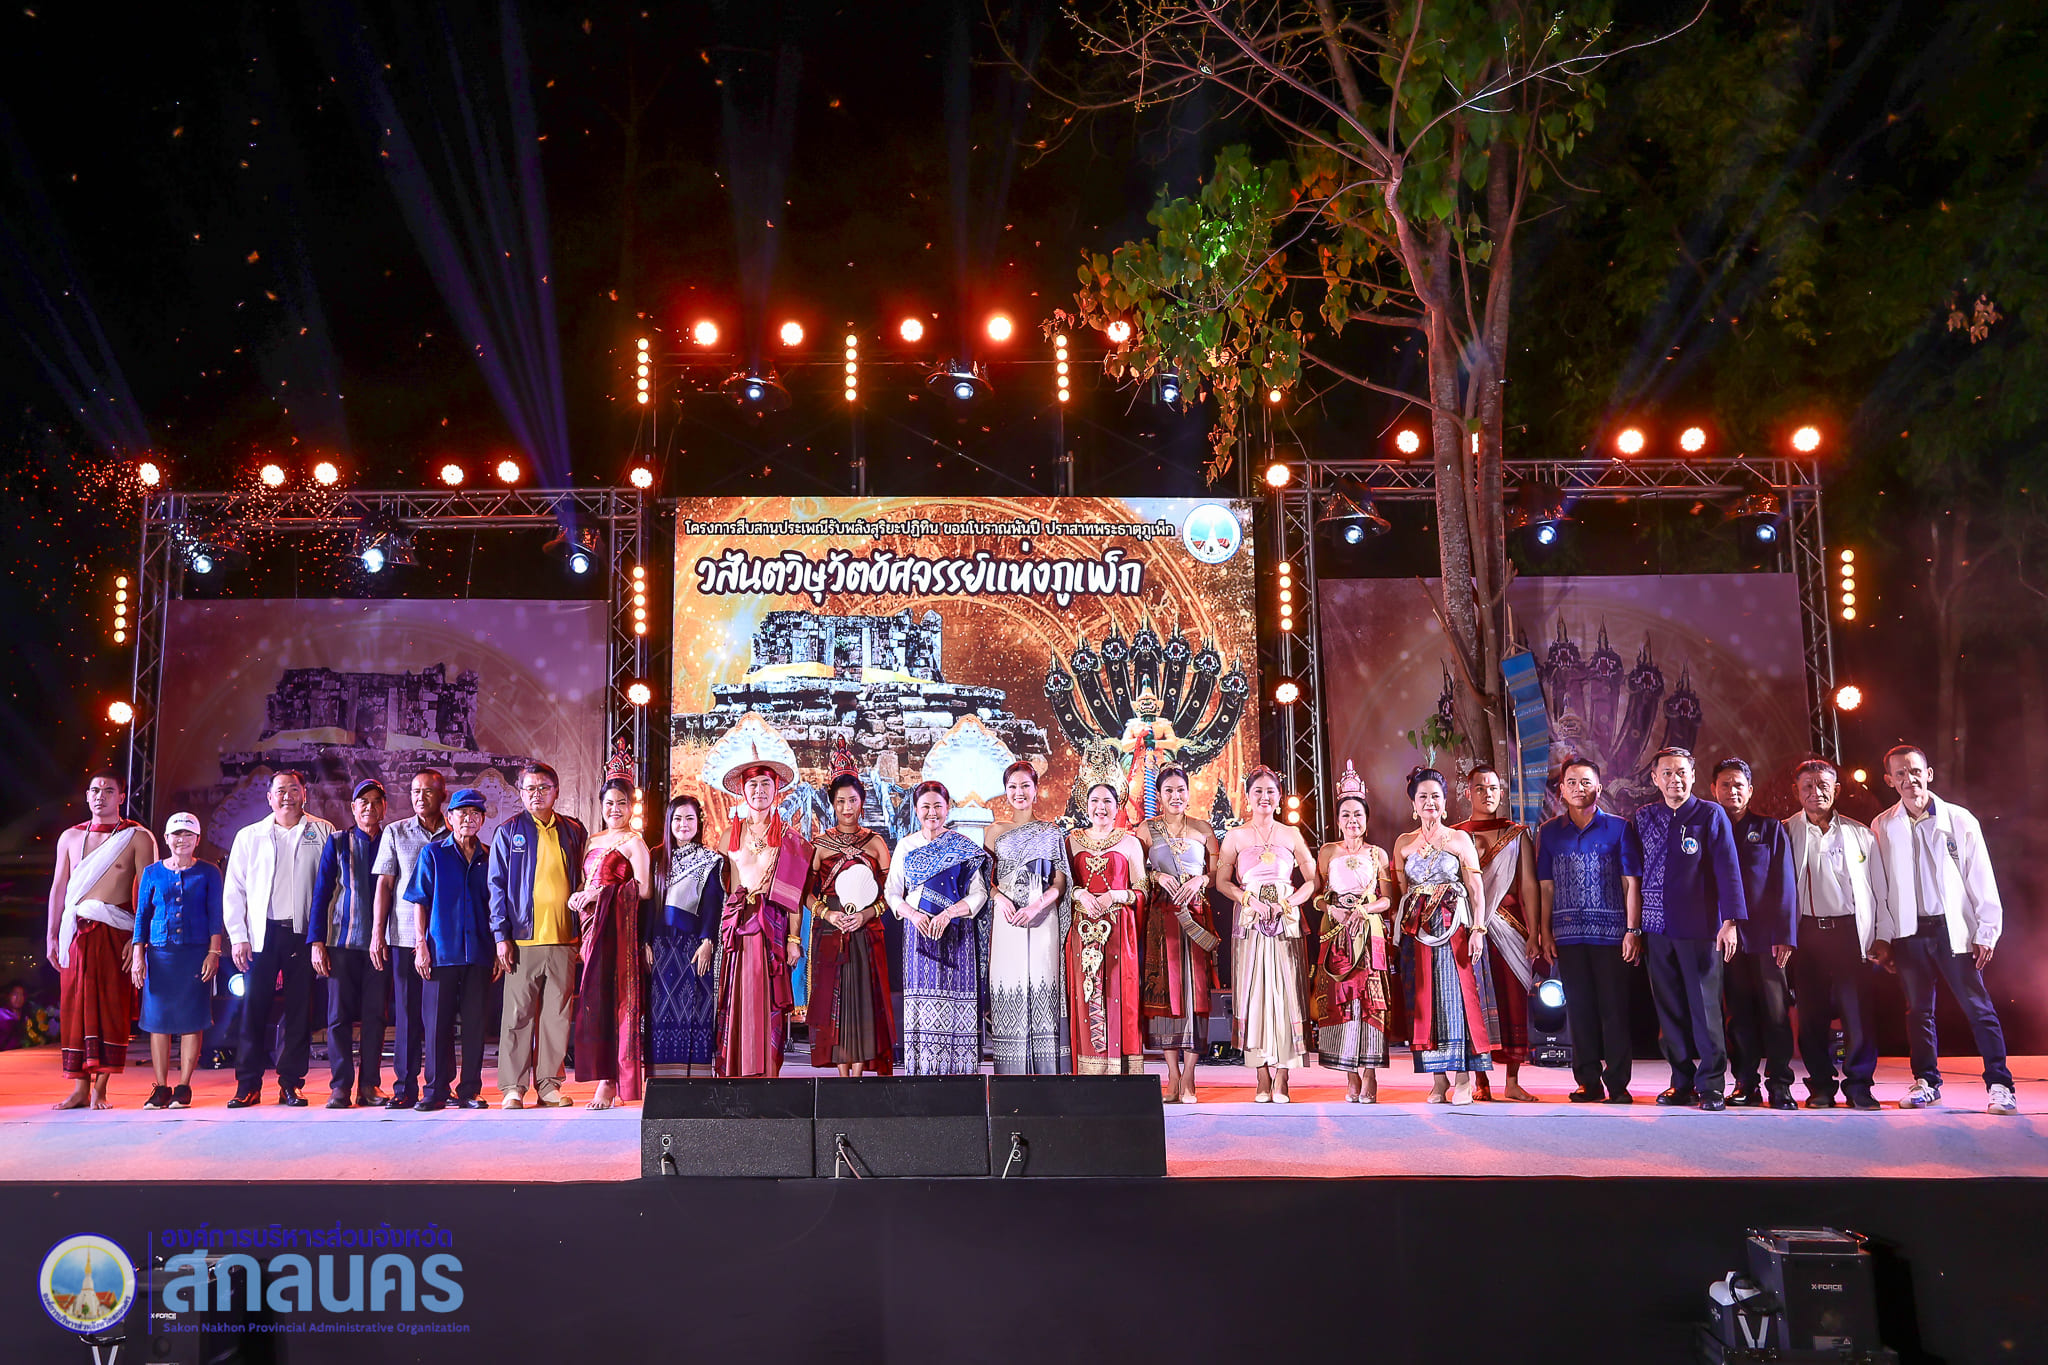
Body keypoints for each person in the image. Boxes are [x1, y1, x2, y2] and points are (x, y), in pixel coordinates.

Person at [1871, 744, 2017, 1116]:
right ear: (1889, 780)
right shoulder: (1883, 825)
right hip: (1909, 934)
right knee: (1918, 1012)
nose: (1909, 779)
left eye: (1915, 771)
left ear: (1929, 774)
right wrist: (1884, 938)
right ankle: (1926, 1082)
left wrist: (1987, 930)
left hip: (1953, 930)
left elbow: (1980, 875)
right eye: (1900, 774)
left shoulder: (1959, 819)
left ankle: (2000, 1085)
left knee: (1978, 1008)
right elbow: (1881, 888)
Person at [1632, 748, 1746, 1110]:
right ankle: (1680, 1082)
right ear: (1654, 778)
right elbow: (1633, 875)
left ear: (1693, 776)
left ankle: (1711, 1085)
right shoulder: (1644, 817)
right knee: (1669, 1011)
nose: (1674, 780)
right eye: (1666, 773)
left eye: (1681, 772)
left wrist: (1730, 921)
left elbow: (1728, 868)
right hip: (1656, 927)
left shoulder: (1710, 814)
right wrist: (1633, 928)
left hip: (1700, 927)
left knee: (1705, 1008)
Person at [223, 770, 337, 1109]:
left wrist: (321, 936)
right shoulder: (249, 836)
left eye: (293, 789)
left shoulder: (323, 831)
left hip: (303, 933)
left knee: (300, 1012)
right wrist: (238, 936)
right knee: (253, 1009)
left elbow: (332, 887)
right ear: (269, 797)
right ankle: (248, 1084)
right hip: (261, 935)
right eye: (280, 790)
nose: (287, 796)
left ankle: (291, 1083)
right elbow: (235, 889)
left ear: (305, 794)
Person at [46, 771, 156, 1110]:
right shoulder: (70, 837)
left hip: (116, 932)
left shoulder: (137, 837)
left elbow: (149, 892)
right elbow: (59, 888)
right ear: (87, 795)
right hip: (75, 934)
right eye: (95, 790)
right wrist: (51, 934)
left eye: (109, 790)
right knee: (74, 1008)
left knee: (111, 1008)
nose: (100, 796)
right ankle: (79, 1088)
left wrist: (138, 940)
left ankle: (101, 1088)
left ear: (121, 797)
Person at [1535, 758, 1643, 1104]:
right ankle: (1588, 1081)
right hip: (1567, 935)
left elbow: (1631, 883)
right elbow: (1546, 887)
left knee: (1614, 1010)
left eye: (1585, 782)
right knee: (1579, 1010)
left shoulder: (1619, 828)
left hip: (1612, 935)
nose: (1578, 788)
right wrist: (1545, 931)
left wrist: (1633, 930)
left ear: (1599, 787)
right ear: (1561, 790)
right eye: (1571, 782)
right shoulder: (1549, 832)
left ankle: (1618, 1084)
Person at [1783, 758, 1886, 1110]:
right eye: (1807, 786)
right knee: (1811, 1016)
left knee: (1857, 1013)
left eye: (1823, 785)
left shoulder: (1861, 834)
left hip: (1849, 933)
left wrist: (1881, 936)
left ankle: (1859, 1085)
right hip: (1806, 934)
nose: (1816, 792)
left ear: (1837, 790)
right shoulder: (1785, 832)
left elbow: (1880, 891)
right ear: (1796, 791)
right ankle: (1821, 1086)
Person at [1391, 767, 1496, 1106]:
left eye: (1435, 796)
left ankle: (1463, 1076)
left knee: (1455, 998)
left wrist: (1478, 929)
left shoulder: (1459, 839)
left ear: (1445, 801)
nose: (1430, 802)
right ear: (1413, 804)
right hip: (1419, 933)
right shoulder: (1404, 844)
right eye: (1423, 796)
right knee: (1426, 1002)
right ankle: (1438, 1080)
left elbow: (1476, 887)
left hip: (1454, 930)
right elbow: (1402, 892)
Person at [1216, 766, 1318, 1103]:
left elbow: (1313, 881)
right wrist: (1250, 900)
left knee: (1287, 993)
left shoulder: (1291, 834)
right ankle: (1261, 1073)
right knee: (1254, 993)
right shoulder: (1235, 836)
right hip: (1250, 921)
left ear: (1279, 796)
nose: (1264, 797)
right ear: (1247, 797)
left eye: (1270, 791)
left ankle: (1283, 1075)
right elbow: (1221, 882)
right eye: (1257, 791)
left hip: (1286, 921)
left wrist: (1288, 902)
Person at [489, 762, 587, 1108]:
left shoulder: (573, 830)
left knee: (557, 1017)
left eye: (544, 788)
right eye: (529, 788)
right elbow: (496, 887)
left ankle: (549, 1085)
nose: (537, 794)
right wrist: (501, 935)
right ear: (520, 793)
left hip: (564, 938)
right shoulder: (508, 831)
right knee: (517, 1015)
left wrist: (583, 931)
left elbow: (585, 879)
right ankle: (513, 1087)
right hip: (522, 939)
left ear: (556, 791)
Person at [1711, 758, 1799, 1110]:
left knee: (1776, 1014)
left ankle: (1781, 1084)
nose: (1731, 791)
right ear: (1713, 790)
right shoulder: (1708, 829)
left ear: (1750, 790)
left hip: (1767, 939)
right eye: (1725, 784)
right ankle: (1745, 1083)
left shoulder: (1769, 828)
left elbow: (1784, 884)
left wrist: (1785, 934)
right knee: (1738, 1015)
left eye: (1738, 785)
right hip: (1724, 939)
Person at [716, 759, 812, 1077]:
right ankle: (738, 1068)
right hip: (738, 928)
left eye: (765, 784)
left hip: (773, 928)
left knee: (769, 1000)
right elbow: (722, 888)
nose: (759, 791)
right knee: (738, 997)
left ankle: (768, 1073)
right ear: (743, 791)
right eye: (753, 785)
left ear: (776, 789)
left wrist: (794, 939)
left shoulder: (789, 837)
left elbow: (795, 895)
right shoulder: (728, 835)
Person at [886, 781, 989, 1075]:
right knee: (922, 1001)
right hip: (918, 933)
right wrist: (913, 915)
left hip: (957, 933)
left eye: (938, 806)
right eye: (925, 807)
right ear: (916, 810)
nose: (932, 813)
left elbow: (979, 893)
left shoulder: (963, 847)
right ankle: (923, 1073)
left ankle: (960, 1076)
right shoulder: (906, 846)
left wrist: (949, 913)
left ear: (948, 808)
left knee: (958, 1000)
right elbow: (892, 891)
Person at [406, 786, 498, 1110]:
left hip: (480, 952)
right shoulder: (433, 854)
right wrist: (420, 944)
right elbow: (419, 901)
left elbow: (497, 904)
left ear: (482, 819)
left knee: (475, 1024)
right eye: (462, 813)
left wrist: (498, 948)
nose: (468, 819)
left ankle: (469, 1090)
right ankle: (435, 1090)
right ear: (449, 817)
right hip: (441, 952)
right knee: (436, 1025)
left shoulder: (489, 856)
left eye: (475, 813)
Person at [1454, 763, 1541, 1102]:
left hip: (1511, 928)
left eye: (1492, 788)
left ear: (1501, 793)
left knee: (1512, 1000)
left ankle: (1513, 1081)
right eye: (1479, 788)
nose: (1486, 794)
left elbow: (1529, 886)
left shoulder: (1516, 834)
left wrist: (1534, 932)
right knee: (1476, 1003)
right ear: (1468, 793)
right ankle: (1480, 1081)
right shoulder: (1456, 835)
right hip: (1470, 929)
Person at [1310, 763, 1394, 1103]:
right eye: (1346, 815)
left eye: (1358, 814)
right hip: (1336, 933)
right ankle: (1350, 1074)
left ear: (1367, 818)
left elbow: (1387, 899)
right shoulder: (1327, 852)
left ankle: (1370, 1072)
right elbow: (1316, 896)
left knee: (1371, 1000)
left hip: (1368, 931)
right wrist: (1331, 909)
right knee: (1342, 1001)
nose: (1352, 820)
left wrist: (1364, 910)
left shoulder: (1378, 854)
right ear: (1338, 819)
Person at [128, 812, 223, 1110]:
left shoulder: (209, 872)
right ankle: (161, 1087)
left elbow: (215, 915)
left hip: (195, 953)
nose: (182, 840)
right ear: (167, 839)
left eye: (188, 834)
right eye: (177, 834)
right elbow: (142, 915)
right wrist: (138, 954)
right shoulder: (152, 872)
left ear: (197, 839)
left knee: (192, 1019)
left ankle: (183, 1086)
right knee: (158, 1020)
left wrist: (214, 952)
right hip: (160, 955)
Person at [806, 768, 896, 1076]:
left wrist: (866, 915)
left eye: (853, 800)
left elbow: (891, 894)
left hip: (865, 930)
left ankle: (858, 1074)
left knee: (863, 999)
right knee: (836, 1000)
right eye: (841, 801)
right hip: (831, 929)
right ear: (832, 804)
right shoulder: (819, 844)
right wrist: (827, 914)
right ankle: (841, 1076)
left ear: (862, 802)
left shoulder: (876, 843)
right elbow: (806, 894)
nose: (847, 808)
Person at [569, 778, 652, 1109]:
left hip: (616, 931)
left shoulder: (634, 843)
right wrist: (579, 896)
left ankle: (612, 1081)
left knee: (617, 1001)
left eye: (621, 803)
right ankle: (602, 1073)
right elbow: (586, 882)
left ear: (631, 807)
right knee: (594, 1001)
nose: (615, 809)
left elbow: (644, 889)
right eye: (609, 803)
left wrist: (600, 895)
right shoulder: (592, 840)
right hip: (590, 929)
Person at [1139, 765, 1220, 1102]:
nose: (1176, 796)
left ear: (1189, 792)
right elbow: (1136, 872)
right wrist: (1157, 877)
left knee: (1196, 994)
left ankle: (1190, 1076)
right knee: (1165, 994)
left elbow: (1218, 874)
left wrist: (1201, 879)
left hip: (1196, 917)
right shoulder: (1146, 829)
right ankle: (1172, 1075)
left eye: (1180, 789)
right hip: (1162, 918)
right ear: (1159, 795)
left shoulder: (1203, 829)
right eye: (1169, 790)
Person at [986, 761, 1071, 1076]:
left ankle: (1047, 1074)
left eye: (1025, 786)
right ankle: (1011, 1077)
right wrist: (999, 898)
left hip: (1043, 917)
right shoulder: (994, 831)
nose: (1019, 792)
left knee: (1043, 983)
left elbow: (1060, 882)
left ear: (1036, 790)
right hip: (1007, 918)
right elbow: (984, 880)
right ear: (1005, 791)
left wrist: (1038, 906)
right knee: (1009, 983)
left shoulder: (1051, 831)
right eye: (1013, 787)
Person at [309, 779, 389, 1109]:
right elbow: (321, 893)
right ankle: (340, 1086)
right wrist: (316, 940)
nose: (369, 807)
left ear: (384, 808)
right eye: (363, 802)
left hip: (381, 946)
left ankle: (369, 1085)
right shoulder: (338, 842)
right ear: (353, 808)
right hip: (342, 942)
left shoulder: (390, 841)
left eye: (376, 801)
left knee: (375, 1017)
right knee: (338, 1017)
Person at [372, 769, 448, 1109]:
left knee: (438, 1017)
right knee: (406, 1015)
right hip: (403, 936)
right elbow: (385, 885)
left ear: (442, 795)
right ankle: (404, 1087)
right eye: (415, 791)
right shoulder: (395, 831)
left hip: (443, 940)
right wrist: (378, 932)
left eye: (427, 791)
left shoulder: (455, 831)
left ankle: (439, 1087)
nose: (420, 797)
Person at [1066, 780, 1148, 1077]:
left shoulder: (1130, 842)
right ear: (1085, 805)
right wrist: (1080, 894)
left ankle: (1120, 1073)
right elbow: (1062, 886)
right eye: (1095, 801)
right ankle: (1089, 1072)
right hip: (1082, 930)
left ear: (1117, 807)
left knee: (1118, 993)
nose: (1100, 807)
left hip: (1117, 930)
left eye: (1107, 802)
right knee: (1085, 994)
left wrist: (1115, 895)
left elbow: (1142, 890)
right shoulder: (1071, 841)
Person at [646, 796, 722, 1074]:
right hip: (659, 947)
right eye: (677, 818)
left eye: (689, 818)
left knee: (694, 1008)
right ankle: (660, 1079)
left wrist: (707, 941)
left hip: (693, 947)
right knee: (659, 1011)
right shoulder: (655, 857)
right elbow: (647, 904)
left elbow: (712, 904)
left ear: (698, 822)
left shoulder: (711, 860)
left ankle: (694, 1079)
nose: (683, 824)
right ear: (669, 822)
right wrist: (644, 941)